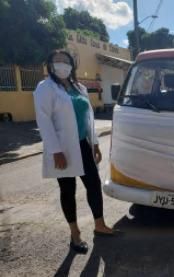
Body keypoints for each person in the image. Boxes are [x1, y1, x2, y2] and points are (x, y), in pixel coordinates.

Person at [33, 50, 114, 254]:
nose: (62, 64)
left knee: (93, 184)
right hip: (62, 148)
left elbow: (88, 118)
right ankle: (75, 233)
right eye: (57, 61)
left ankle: (99, 224)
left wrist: (94, 143)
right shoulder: (45, 88)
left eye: (66, 61)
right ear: (50, 65)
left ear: (72, 65)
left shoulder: (79, 88)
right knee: (68, 190)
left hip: (82, 144)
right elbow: (44, 120)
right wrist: (55, 151)